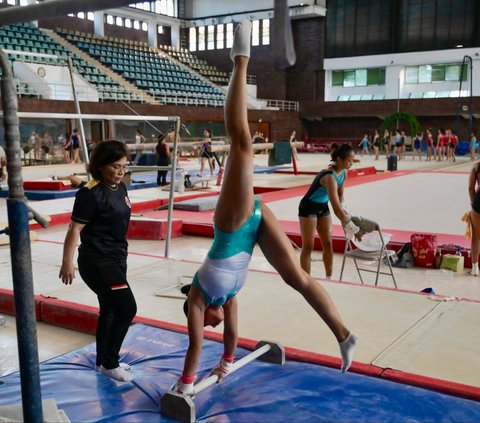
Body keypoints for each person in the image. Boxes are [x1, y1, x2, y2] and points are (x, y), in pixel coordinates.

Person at [175, 21, 358, 396]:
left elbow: (195, 345)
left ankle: (240, 59)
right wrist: (226, 363)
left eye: (207, 323)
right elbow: (232, 335)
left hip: (232, 224)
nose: (212, 324)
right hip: (255, 224)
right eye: (213, 324)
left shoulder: (197, 297)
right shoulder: (227, 298)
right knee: (298, 279)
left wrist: (185, 385)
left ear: (196, 313)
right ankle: (344, 335)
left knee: (241, 143)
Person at [59, 140, 137, 383]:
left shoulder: (121, 188)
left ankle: (103, 360)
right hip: (97, 261)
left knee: (110, 309)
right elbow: (74, 230)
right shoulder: (90, 194)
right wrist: (67, 262)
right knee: (126, 308)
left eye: (124, 166)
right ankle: (110, 363)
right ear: (101, 166)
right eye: (115, 166)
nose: (121, 172)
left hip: (116, 258)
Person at [298, 142, 359, 278]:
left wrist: (345, 209)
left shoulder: (344, 172)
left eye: (352, 161)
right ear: (339, 160)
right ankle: (306, 281)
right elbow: (336, 209)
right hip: (308, 207)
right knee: (308, 246)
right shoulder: (329, 177)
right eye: (349, 161)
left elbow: (340, 194)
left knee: (328, 243)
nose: (351, 164)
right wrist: (350, 225)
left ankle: (329, 278)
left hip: (322, 206)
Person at [468, 161, 480, 276]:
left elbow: (471, 188)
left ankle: (475, 268)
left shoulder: (476, 167)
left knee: (476, 237)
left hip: (479, 202)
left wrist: (473, 203)